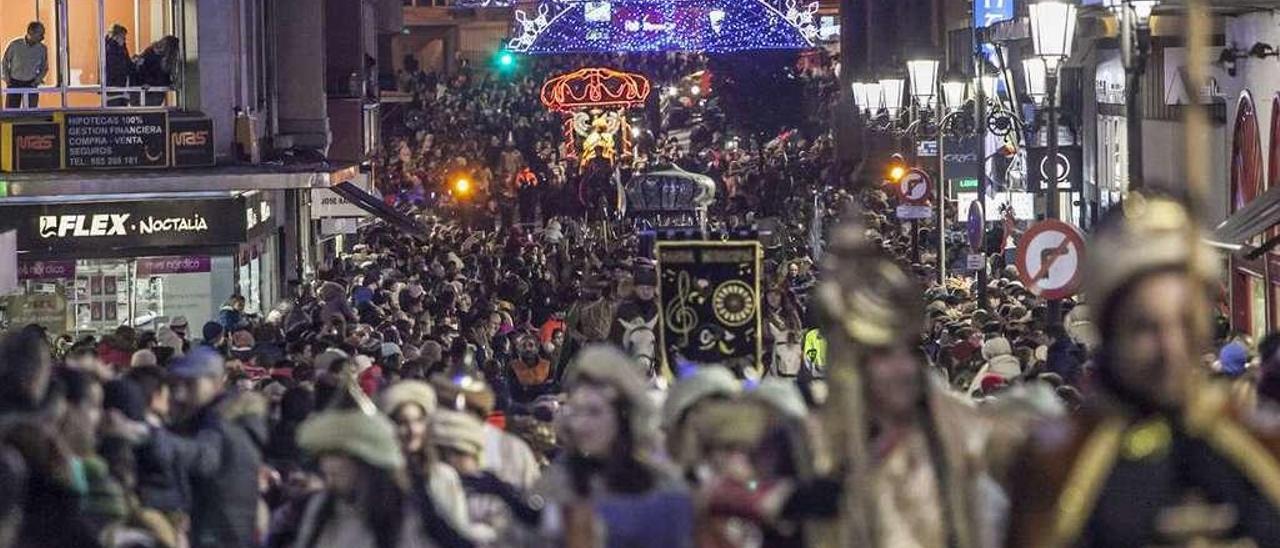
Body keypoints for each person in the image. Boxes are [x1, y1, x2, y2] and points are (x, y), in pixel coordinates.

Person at [1005, 193, 1280, 546]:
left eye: (1184, 323)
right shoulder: (1059, 464)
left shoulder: (1260, 445)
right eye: (1145, 328)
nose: (1170, 349)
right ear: (1110, 330)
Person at [533, 345, 694, 547]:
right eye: (576, 411)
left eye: (594, 412)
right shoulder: (557, 481)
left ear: (624, 415)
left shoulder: (664, 489)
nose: (581, 424)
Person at [293, 383, 474, 548]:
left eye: (338, 455)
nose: (329, 465)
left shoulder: (407, 506)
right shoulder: (320, 507)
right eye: (403, 422)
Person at [167, 347, 268, 548]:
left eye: (191, 383)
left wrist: (156, 438)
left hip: (218, 533)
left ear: (215, 382)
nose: (181, 392)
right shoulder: (203, 419)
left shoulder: (223, 423)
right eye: (178, 384)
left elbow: (204, 459)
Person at [1, 22, 47, 109]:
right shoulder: (15, 45)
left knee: (31, 112)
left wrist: (37, 80)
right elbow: (4, 62)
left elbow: (44, 67)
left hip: (31, 83)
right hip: (14, 83)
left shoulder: (42, 49)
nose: (43, 37)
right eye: (40, 34)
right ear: (31, 32)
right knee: (11, 112)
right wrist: (7, 78)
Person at [136, 35, 179, 107]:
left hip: (151, 88)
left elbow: (141, 69)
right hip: (152, 89)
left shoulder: (150, 52)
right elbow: (163, 74)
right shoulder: (161, 56)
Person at [104, 24, 134, 106]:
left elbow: (126, 63)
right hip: (114, 87)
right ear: (116, 36)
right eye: (123, 37)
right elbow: (116, 66)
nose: (124, 40)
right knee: (115, 111)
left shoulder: (121, 47)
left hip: (120, 87)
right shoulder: (110, 48)